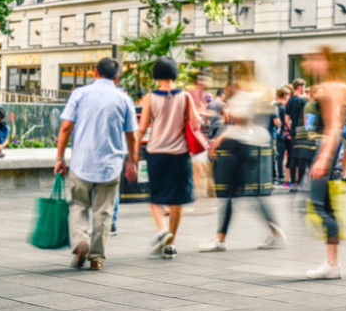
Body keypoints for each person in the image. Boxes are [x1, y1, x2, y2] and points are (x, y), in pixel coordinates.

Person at [54, 58, 138, 271]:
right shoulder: (123, 99)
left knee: (78, 205)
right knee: (103, 212)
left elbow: (65, 128)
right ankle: (97, 258)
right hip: (110, 165)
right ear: (117, 78)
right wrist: (132, 162)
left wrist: (60, 157)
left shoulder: (80, 94)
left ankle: (81, 241)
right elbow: (132, 136)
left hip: (82, 162)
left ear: (94, 73)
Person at [199, 81, 286, 253]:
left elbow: (240, 123)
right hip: (249, 148)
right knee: (245, 196)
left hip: (241, 148)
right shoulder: (251, 98)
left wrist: (220, 139)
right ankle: (273, 233)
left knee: (231, 195)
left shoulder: (242, 99)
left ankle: (221, 238)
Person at [137, 57, 199, 259]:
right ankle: (171, 243)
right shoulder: (185, 96)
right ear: (175, 73)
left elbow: (142, 127)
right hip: (179, 154)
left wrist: (134, 151)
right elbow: (196, 122)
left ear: (156, 75)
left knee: (155, 196)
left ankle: (162, 230)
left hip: (156, 152)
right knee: (176, 200)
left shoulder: (150, 98)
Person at [301, 47, 346, 279]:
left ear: (325, 61)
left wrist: (323, 158)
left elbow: (334, 127)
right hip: (328, 149)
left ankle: (333, 263)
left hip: (326, 149)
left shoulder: (331, 88)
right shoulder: (334, 85)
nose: (307, 63)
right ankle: (332, 262)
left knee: (319, 205)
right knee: (323, 204)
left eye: (312, 58)